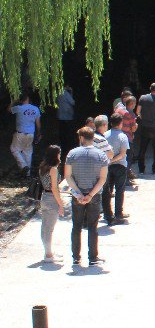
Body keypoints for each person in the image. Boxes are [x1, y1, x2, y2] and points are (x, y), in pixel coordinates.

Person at [64, 127, 109, 267]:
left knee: (76, 226)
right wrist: (90, 195)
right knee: (93, 227)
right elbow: (102, 179)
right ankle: (93, 257)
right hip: (94, 195)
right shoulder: (101, 155)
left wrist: (78, 193)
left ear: (81, 138)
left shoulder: (72, 154)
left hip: (77, 195)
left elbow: (67, 176)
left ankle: (76, 258)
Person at [38, 145, 65, 263]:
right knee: (49, 228)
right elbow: (55, 188)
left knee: (45, 226)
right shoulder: (53, 169)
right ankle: (48, 255)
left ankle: (48, 252)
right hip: (51, 198)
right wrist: (61, 204)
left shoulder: (42, 166)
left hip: (44, 197)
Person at [103, 114, 130, 226]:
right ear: (120, 123)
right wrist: (113, 160)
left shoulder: (104, 135)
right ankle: (118, 213)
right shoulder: (123, 136)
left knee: (108, 191)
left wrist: (109, 161)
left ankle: (107, 214)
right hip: (120, 166)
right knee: (120, 190)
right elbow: (123, 154)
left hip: (107, 166)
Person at [8, 94, 41, 178]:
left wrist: (13, 102)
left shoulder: (19, 108)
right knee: (28, 152)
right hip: (31, 134)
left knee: (14, 149)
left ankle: (23, 166)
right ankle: (27, 174)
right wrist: (39, 133)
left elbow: (9, 110)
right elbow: (38, 123)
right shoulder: (36, 109)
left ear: (21, 100)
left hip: (20, 133)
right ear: (28, 99)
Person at [136, 82, 155, 175]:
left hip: (145, 126)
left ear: (150, 88)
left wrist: (142, 118)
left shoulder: (142, 98)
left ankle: (141, 170)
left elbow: (138, 111)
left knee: (142, 148)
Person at [116, 95, 139, 189]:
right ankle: (124, 180)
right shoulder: (130, 114)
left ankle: (117, 179)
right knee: (127, 160)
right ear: (132, 104)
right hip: (127, 139)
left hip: (117, 137)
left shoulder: (119, 110)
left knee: (118, 159)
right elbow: (133, 129)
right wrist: (136, 125)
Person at [56, 86, 76, 155]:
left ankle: (62, 147)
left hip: (60, 115)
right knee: (67, 133)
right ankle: (67, 148)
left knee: (62, 133)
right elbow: (72, 102)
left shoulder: (58, 92)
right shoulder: (66, 93)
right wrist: (71, 92)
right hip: (67, 116)